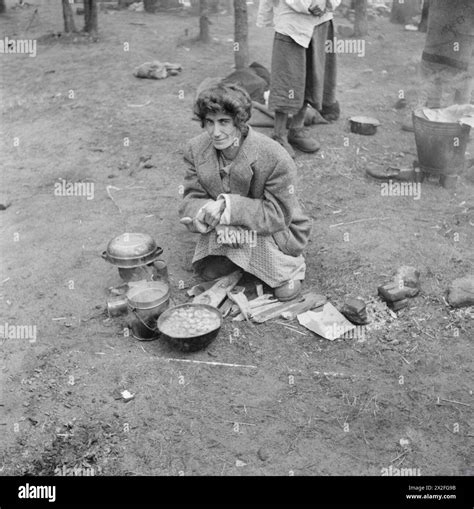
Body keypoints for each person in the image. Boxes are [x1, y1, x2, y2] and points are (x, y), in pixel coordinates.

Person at [179, 83, 312, 301]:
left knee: (282, 288)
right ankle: (237, 260)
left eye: (224, 122)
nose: (216, 132)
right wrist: (213, 219)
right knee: (209, 272)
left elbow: (277, 215)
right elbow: (191, 197)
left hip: (269, 225)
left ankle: (288, 270)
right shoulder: (196, 148)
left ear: (240, 123)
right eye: (209, 122)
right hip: (221, 224)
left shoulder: (275, 156)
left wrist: (226, 207)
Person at [257, 0, 341, 158]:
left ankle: (296, 128)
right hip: (292, 21)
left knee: (311, 76)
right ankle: (279, 135)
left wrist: (324, 2)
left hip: (320, 20)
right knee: (288, 79)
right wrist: (308, 4)